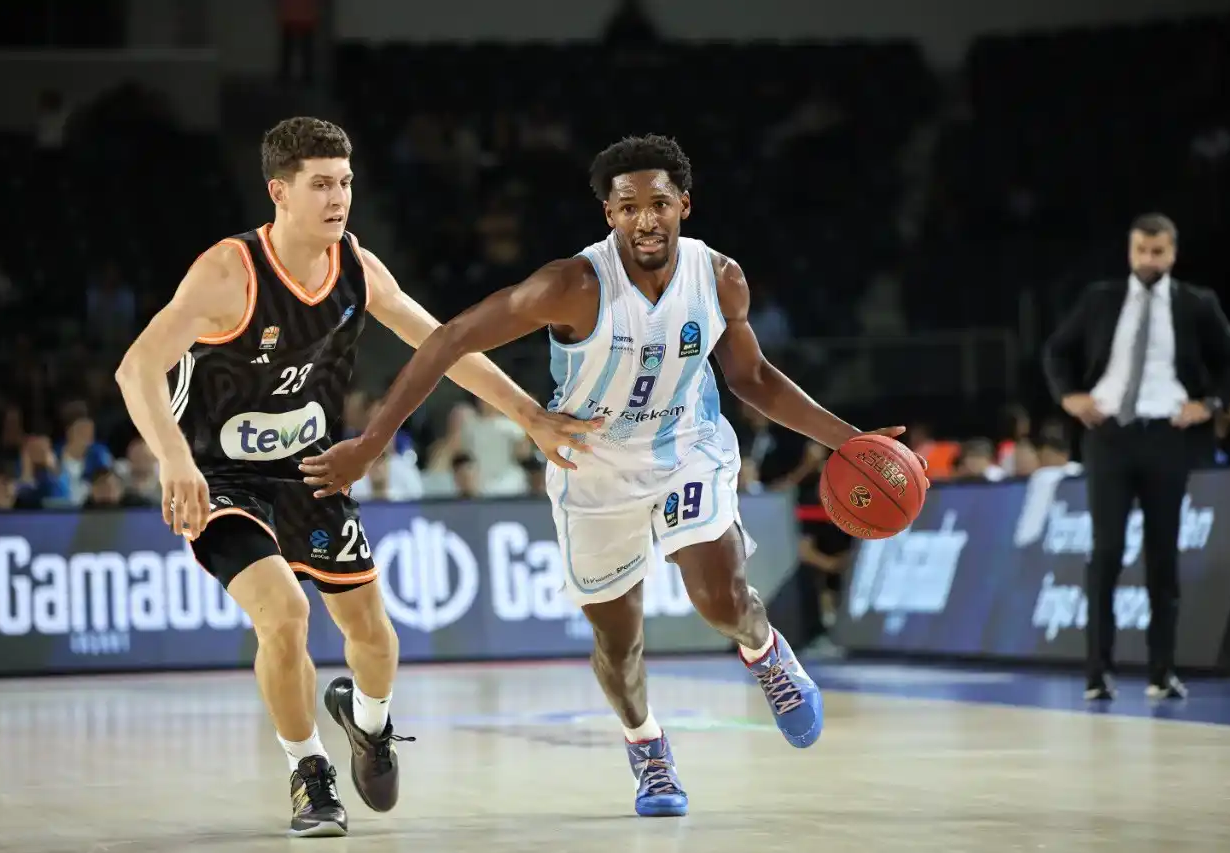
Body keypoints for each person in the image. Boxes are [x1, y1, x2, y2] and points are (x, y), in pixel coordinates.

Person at [299, 134, 920, 817]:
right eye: (629, 207)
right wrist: (372, 443)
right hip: (591, 469)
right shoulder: (571, 286)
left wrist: (850, 441)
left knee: (719, 597)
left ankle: (766, 651)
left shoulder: (719, 278)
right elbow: (449, 339)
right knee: (618, 645)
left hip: (686, 447)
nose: (646, 219)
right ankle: (647, 746)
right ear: (609, 215)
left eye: (659, 204)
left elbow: (753, 379)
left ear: (684, 205)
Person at [113, 117, 593, 838]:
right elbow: (137, 368)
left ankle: (368, 723)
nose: (338, 198)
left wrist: (530, 415)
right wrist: (174, 460)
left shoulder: (358, 267)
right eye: (320, 185)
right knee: (285, 615)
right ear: (279, 192)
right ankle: (308, 769)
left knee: (374, 637)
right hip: (222, 478)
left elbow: (443, 345)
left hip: (312, 472)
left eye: (344, 182)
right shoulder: (228, 272)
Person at [1042, 212, 1230, 702]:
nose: (1149, 260)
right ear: (1130, 251)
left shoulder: (1196, 304)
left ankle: (1162, 670)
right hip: (1109, 434)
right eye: (1141, 251)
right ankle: (1097, 672)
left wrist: (1211, 404)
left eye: (1158, 251)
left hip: (1167, 435)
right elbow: (1057, 350)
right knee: (1107, 551)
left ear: (1173, 252)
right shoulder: (1101, 299)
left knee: (1162, 555)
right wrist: (1069, 397)